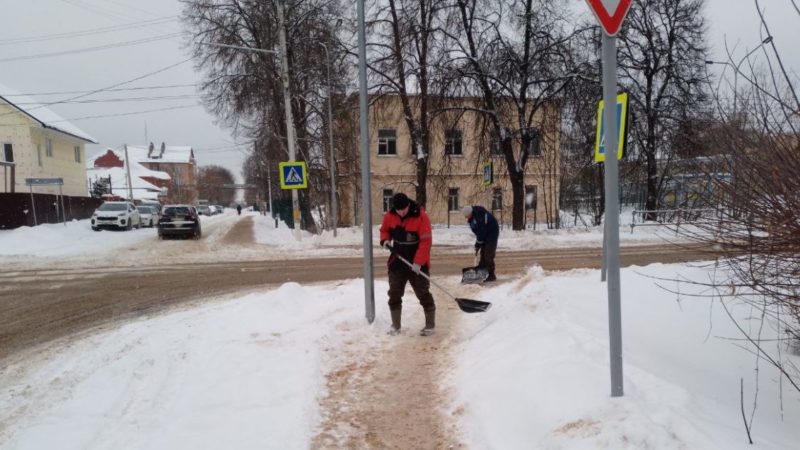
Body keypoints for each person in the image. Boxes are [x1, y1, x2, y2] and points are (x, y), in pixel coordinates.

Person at [379, 192, 436, 336]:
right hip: (397, 260)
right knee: (394, 292)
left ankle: (430, 325)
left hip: (416, 260)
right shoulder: (389, 216)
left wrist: (418, 262)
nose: (402, 212)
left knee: (423, 292)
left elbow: (426, 242)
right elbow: (384, 230)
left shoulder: (420, 216)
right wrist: (385, 240)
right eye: (399, 210)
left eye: (404, 209)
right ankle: (395, 325)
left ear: (408, 205)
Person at [462, 205, 499, 282]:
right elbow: (478, 232)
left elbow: (481, 231)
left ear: (470, 213)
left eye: (467, 216)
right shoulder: (472, 219)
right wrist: (479, 243)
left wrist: (478, 243)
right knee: (483, 253)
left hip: (492, 232)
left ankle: (491, 275)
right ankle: (482, 271)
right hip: (485, 233)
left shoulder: (479, 216)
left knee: (488, 254)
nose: (466, 218)